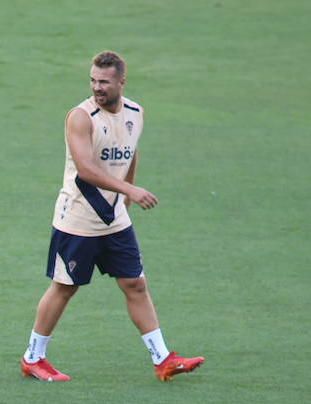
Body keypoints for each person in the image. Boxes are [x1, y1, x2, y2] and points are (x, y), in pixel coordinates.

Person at [19, 51, 203, 383]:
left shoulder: (135, 113)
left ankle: (162, 359)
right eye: (92, 80)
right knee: (65, 287)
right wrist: (130, 191)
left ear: (121, 81)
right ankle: (33, 357)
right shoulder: (81, 117)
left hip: (115, 220)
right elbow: (86, 170)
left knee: (135, 284)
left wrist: (125, 200)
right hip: (77, 219)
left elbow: (129, 155)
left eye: (103, 82)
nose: (96, 87)